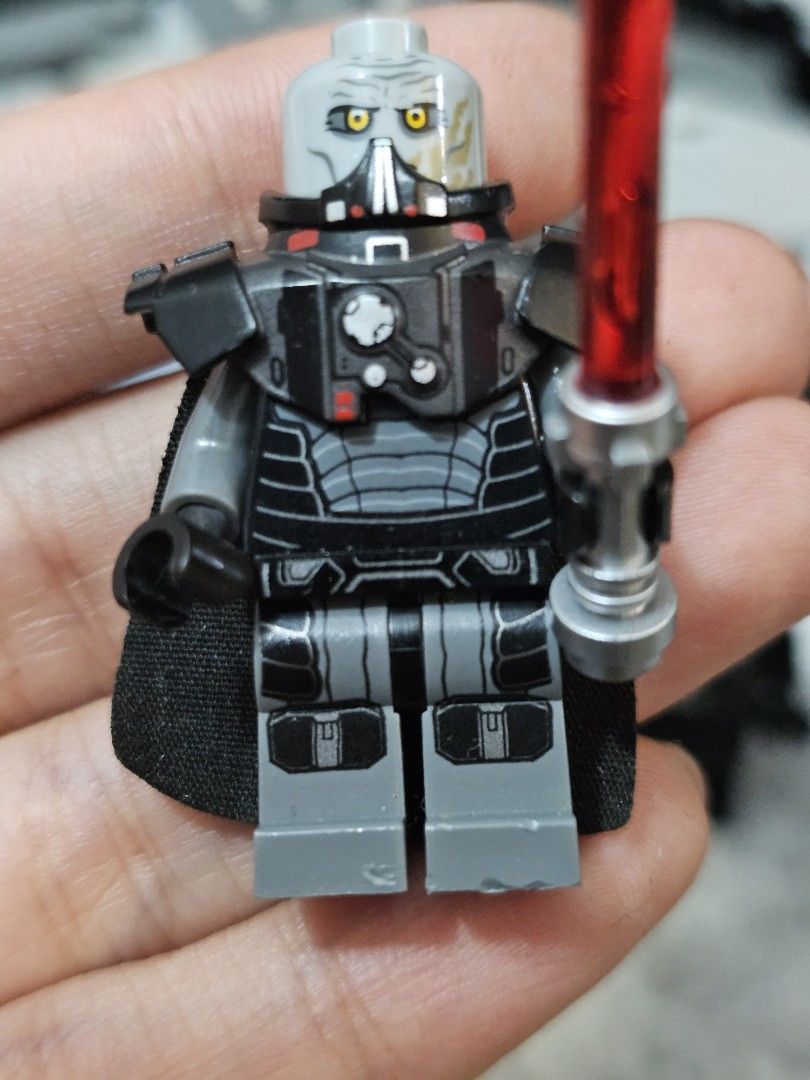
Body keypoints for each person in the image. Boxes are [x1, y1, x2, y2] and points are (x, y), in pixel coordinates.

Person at [0, 3, 807, 1074]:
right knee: (318, 695)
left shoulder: (535, 290)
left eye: (415, 124)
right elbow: (217, 440)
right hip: (311, 576)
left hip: (499, 567)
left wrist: (617, 495)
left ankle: (507, 838)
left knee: (503, 686)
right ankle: (333, 850)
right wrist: (191, 534)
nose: (383, 153)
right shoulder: (249, 305)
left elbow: (582, 423)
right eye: (352, 125)